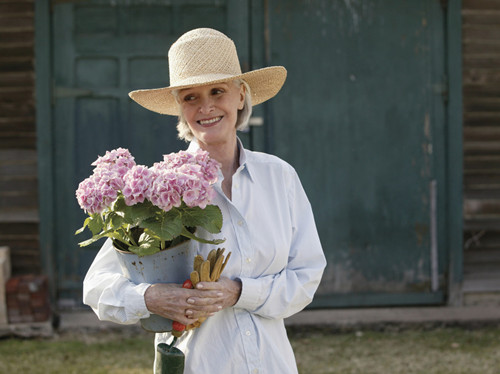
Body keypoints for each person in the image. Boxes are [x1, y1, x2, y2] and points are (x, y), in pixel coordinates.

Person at [83, 28, 326, 374]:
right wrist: (151, 298)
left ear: (241, 96)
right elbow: (97, 287)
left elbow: (306, 276)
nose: (206, 106)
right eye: (190, 96)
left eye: (217, 91)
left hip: (272, 364)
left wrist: (239, 292)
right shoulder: (155, 192)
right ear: (180, 109)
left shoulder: (279, 178)